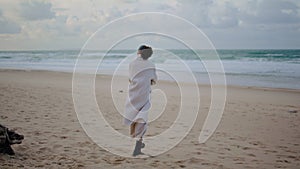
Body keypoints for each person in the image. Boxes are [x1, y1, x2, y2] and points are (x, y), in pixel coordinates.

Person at [124, 45, 157, 156]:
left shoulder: (132, 64)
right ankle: (137, 147)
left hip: (133, 94)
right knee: (142, 119)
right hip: (144, 95)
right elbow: (153, 79)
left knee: (134, 118)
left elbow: (130, 78)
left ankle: (138, 144)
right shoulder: (151, 65)